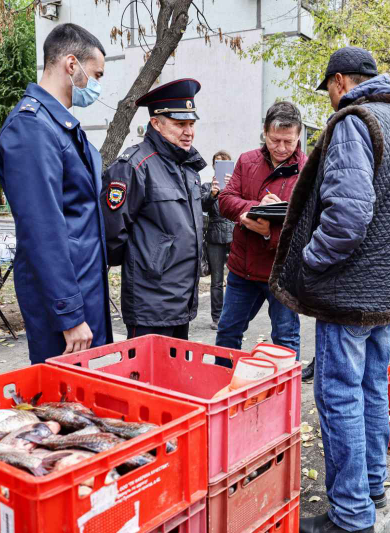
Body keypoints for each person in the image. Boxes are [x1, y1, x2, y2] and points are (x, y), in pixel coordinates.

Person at [269, 47, 390, 533]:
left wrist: (312, 261)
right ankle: (373, 483)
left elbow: (348, 214)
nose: (331, 100)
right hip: (389, 290)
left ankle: (351, 515)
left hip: (349, 293)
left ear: (340, 81)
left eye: (330, 90)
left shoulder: (352, 122)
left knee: (339, 395)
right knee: (372, 386)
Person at [0, 23, 112, 364]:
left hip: (83, 289)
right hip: (63, 303)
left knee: (87, 404)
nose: (98, 86)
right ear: (71, 65)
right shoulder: (32, 127)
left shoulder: (58, 126)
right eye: (97, 74)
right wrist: (70, 313)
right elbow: (42, 230)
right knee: (63, 405)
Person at [101, 79, 206, 341]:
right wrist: (149, 263)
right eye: (180, 124)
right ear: (156, 123)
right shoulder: (135, 166)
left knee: (175, 378)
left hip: (182, 299)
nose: (188, 132)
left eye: (191, 124)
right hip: (150, 301)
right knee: (145, 380)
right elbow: (112, 235)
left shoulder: (188, 167)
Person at [215, 102, 306, 362]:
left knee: (286, 338)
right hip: (243, 269)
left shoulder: (309, 170)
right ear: (264, 133)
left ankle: (283, 396)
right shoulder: (247, 161)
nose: (281, 148)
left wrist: (269, 233)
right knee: (228, 332)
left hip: (282, 272)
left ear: (298, 136)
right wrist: (251, 210)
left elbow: (309, 225)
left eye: (288, 141)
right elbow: (226, 199)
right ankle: (223, 387)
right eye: (274, 140)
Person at [202, 150, 235, 330]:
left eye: (224, 163)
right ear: (213, 166)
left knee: (236, 279)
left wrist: (231, 188)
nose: (220, 165)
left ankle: (232, 315)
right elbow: (202, 205)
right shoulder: (208, 186)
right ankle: (217, 317)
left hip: (233, 234)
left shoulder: (236, 185)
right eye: (217, 163)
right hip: (215, 235)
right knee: (216, 280)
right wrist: (213, 194)